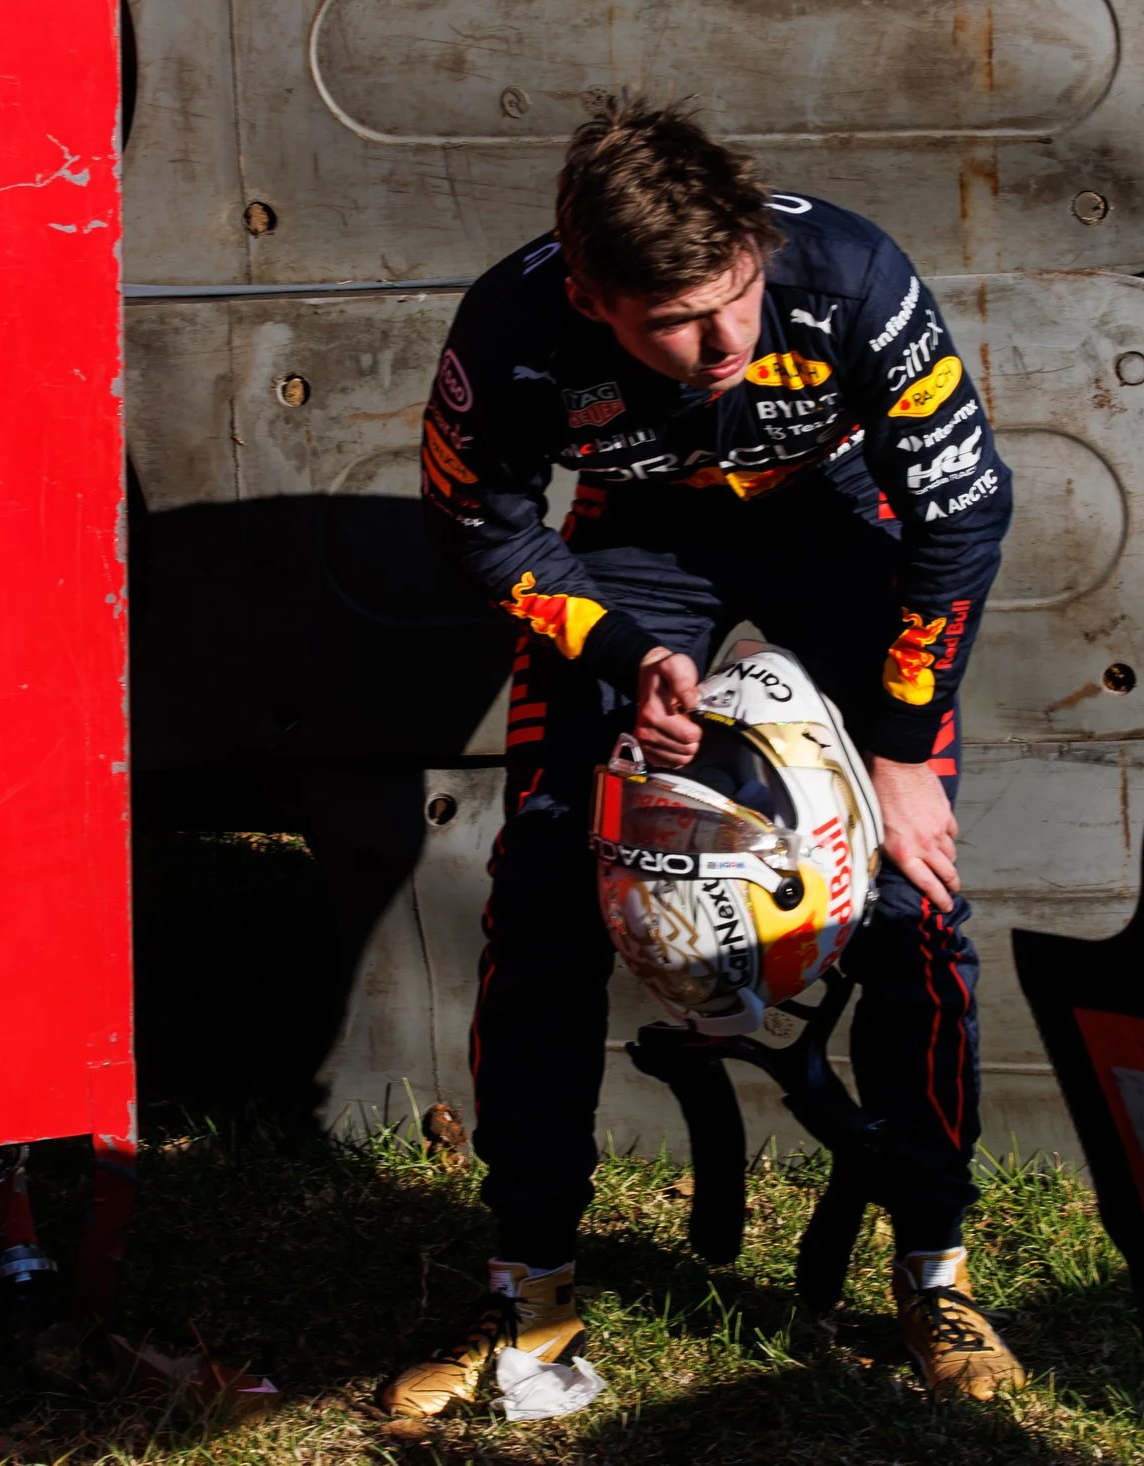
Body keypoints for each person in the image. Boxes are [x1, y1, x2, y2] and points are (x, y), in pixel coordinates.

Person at [383, 95, 1021, 1413]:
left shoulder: (849, 274)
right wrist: (622, 656)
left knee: (913, 900)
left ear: (754, 246)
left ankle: (933, 1266)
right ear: (590, 296)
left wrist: (898, 752)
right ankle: (531, 1286)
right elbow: (478, 530)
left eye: (732, 297)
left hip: (839, 527)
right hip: (635, 543)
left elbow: (961, 514)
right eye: (670, 322)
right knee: (548, 886)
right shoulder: (510, 331)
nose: (718, 340)